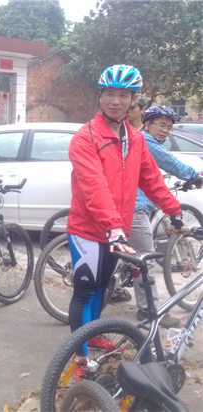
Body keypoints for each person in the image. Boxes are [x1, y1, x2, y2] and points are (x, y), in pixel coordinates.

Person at [66, 65, 185, 371]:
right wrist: (114, 228)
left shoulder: (135, 138)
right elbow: (94, 187)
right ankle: (79, 358)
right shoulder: (85, 138)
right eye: (109, 94)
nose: (115, 101)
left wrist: (174, 210)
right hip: (87, 230)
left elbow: (151, 179)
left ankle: (91, 335)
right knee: (84, 291)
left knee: (101, 288)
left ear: (133, 100)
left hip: (114, 231)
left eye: (123, 95)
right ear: (100, 96)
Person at [130, 105, 202, 327]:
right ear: (147, 124)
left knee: (127, 251)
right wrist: (195, 175)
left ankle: (114, 289)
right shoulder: (145, 140)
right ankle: (149, 312)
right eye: (161, 125)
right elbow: (171, 163)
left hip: (126, 203)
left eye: (169, 128)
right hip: (134, 206)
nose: (165, 131)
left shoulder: (141, 140)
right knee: (146, 259)